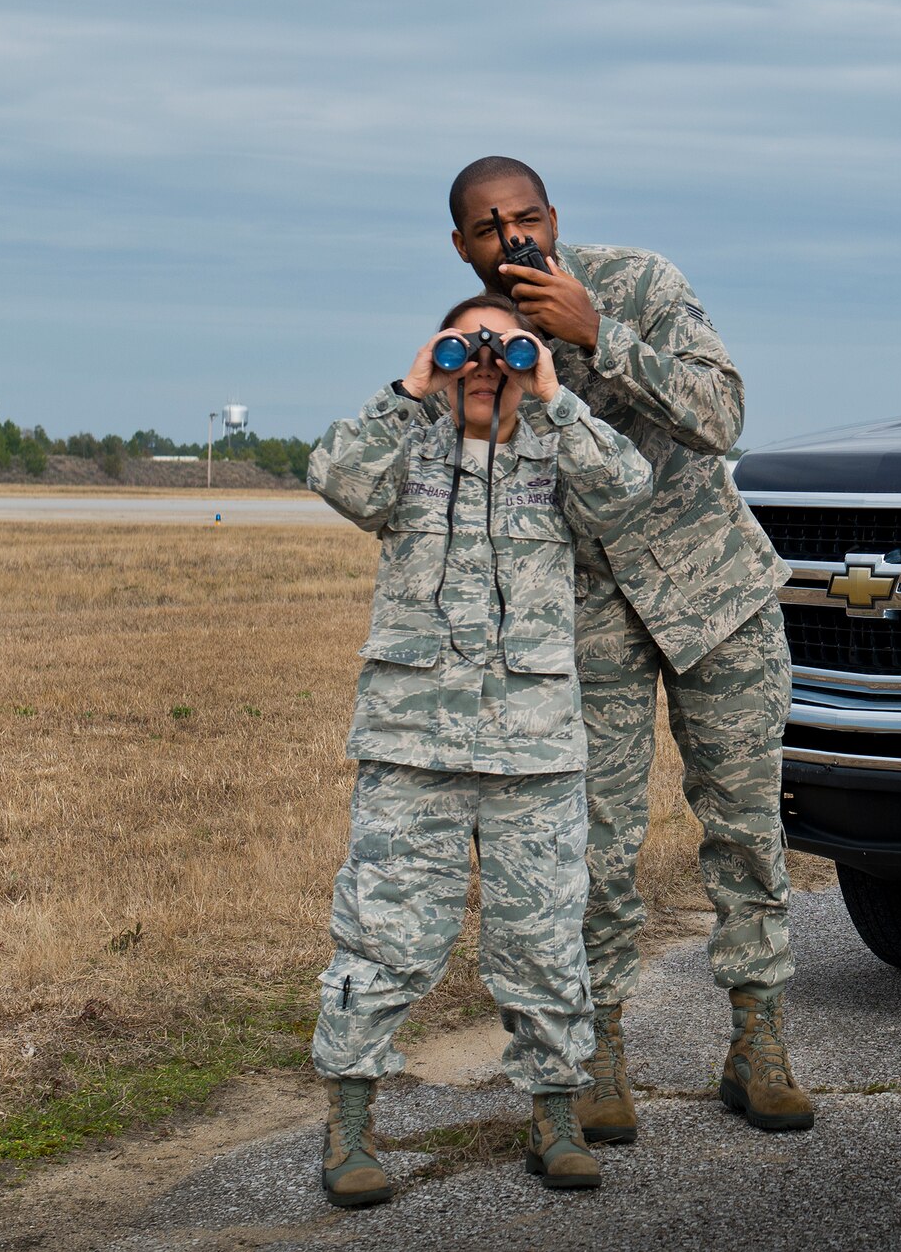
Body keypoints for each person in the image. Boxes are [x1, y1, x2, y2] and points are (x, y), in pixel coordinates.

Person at [445, 156, 813, 1136]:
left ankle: (757, 1044)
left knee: (743, 833)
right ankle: (599, 1054)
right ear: (463, 246)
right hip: (588, 619)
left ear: (554, 219)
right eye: (490, 229)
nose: (514, 240)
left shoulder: (643, 285)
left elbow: (722, 417)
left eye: (527, 219)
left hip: (716, 595)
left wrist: (598, 335)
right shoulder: (474, 337)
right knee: (593, 852)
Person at [307, 294, 654, 1206]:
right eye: (469, 349)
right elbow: (336, 478)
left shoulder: (559, 450)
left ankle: (555, 1119)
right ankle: (348, 1125)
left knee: (543, 942)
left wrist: (553, 392)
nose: (484, 364)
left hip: (533, 751)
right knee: (381, 935)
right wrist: (411, 384)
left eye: (504, 350)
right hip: (411, 743)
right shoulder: (405, 447)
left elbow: (629, 492)